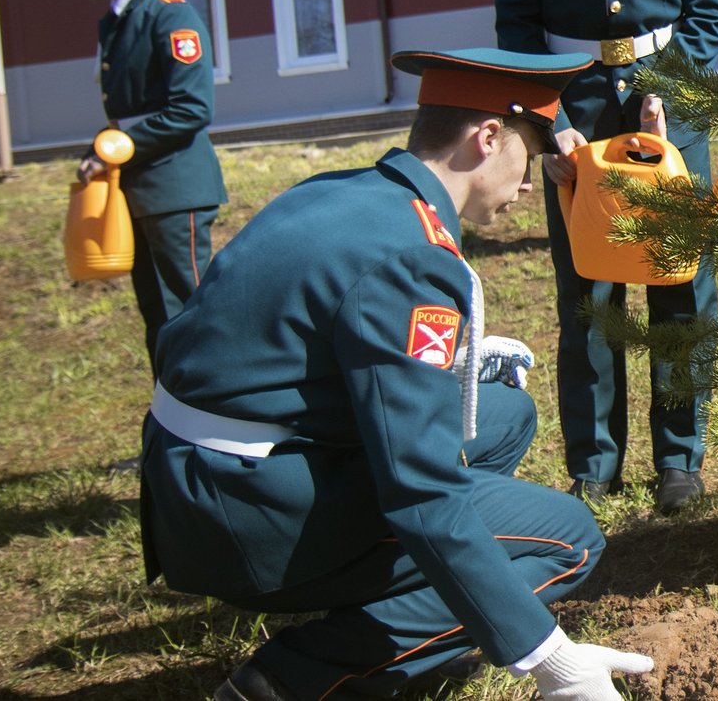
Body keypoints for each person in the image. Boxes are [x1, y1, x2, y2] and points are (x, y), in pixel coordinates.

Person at [140, 47, 656, 701]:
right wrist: (550, 658)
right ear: (488, 137)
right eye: (530, 153)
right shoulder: (413, 256)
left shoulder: (344, 191)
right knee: (571, 539)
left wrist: (450, 366)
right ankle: (287, 680)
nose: (531, 183)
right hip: (245, 516)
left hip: (190, 478)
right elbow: (420, 490)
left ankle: (413, 593)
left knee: (504, 416)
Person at [494, 0, 718, 513]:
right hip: (580, 117)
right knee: (590, 295)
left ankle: (680, 462)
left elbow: (709, 14)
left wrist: (670, 90)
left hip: (669, 110)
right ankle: (595, 465)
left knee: (679, 290)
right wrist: (548, 125)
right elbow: (517, 25)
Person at [32, 0, 225, 371]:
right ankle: (171, 431)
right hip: (138, 188)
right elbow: (129, 112)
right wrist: (102, 148)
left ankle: (215, 427)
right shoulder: (119, 20)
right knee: (159, 317)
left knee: (190, 312)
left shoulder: (168, 11)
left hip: (175, 188)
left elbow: (192, 108)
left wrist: (117, 146)